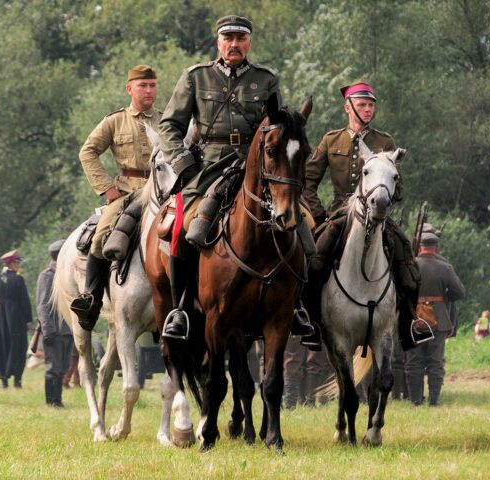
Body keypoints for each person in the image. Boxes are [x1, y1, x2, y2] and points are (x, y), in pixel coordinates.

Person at [157, 14, 313, 339]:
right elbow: (169, 125)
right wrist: (184, 162)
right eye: (228, 38)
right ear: (219, 42)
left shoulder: (265, 79)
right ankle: (182, 308)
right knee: (183, 227)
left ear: (248, 43)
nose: (234, 44)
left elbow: (277, 128)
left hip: (256, 168)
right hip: (209, 167)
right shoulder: (195, 77)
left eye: (240, 38)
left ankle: (298, 305)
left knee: (304, 226)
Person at [302, 78, 427, 351]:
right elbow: (308, 181)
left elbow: (399, 187)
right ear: (348, 107)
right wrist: (320, 216)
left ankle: (410, 324)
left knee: (407, 261)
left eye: (371, 105)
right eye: (362, 104)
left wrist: (386, 194)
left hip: (378, 215)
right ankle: (310, 323)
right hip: (339, 215)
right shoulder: (330, 139)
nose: (368, 110)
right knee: (313, 262)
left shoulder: (385, 141)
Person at [72, 64, 163, 332]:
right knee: (101, 236)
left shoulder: (167, 120)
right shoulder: (115, 121)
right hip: (127, 192)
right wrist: (107, 189)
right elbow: (87, 152)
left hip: (164, 191)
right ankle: (91, 297)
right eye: (143, 85)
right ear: (130, 88)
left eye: (152, 85)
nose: (149, 90)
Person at [405, 232, 465, 406]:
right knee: (435, 362)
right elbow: (459, 292)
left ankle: (415, 401)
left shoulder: (409, 266)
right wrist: (443, 298)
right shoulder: (445, 267)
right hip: (438, 318)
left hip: (413, 318)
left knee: (413, 362)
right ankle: (434, 401)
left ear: (419, 246)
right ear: (436, 248)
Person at [0, 250, 32, 388]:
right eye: (17, 262)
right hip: (15, 318)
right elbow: (24, 301)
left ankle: (3, 380)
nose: (18, 265)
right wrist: (28, 319)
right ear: (12, 263)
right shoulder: (18, 279)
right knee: (18, 346)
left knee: (1, 345)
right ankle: (17, 380)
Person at [37, 239, 73, 407]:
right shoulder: (48, 275)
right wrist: (48, 330)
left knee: (63, 367)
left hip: (66, 330)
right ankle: (52, 401)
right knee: (53, 367)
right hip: (54, 330)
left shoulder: (64, 274)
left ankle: (58, 400)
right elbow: (43, 304)